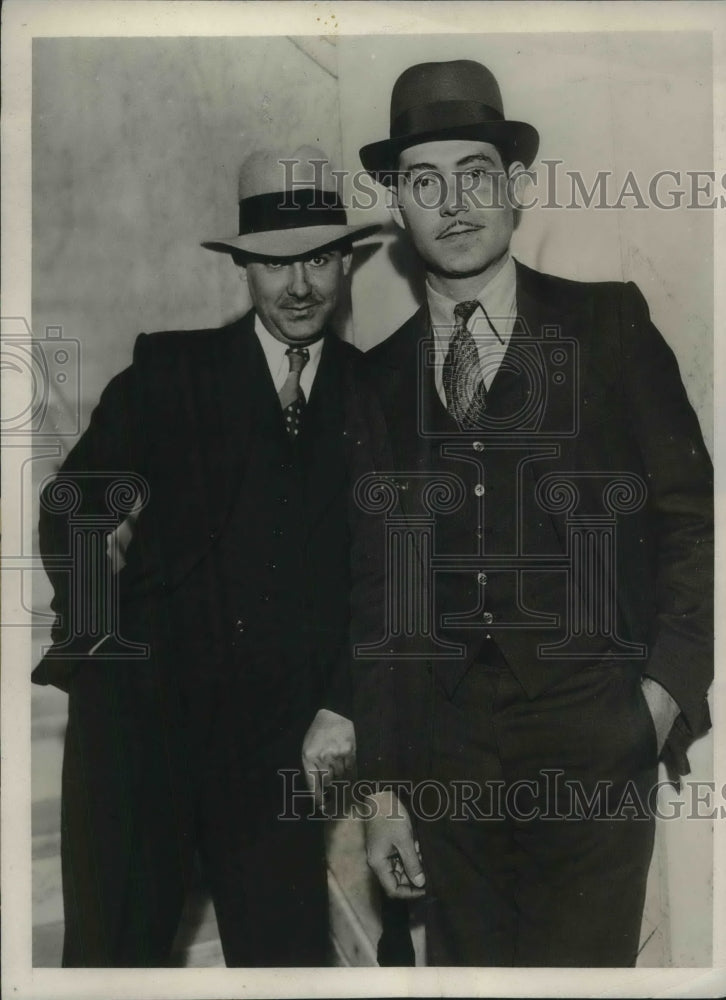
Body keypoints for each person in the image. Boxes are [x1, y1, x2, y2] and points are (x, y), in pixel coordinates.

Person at [348, 60, 714, 966]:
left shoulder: (611, 326)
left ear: (514, 189)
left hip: (597, 732)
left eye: (476, 173)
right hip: (445, 755)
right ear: (399, 206)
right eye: (423, 182)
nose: (454, 202)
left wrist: (658, 702)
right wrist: (387, 792)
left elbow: (692, 522)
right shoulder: (375, 379)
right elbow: (374, 595)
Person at [33, 146, 382, 967]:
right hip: (140, 730)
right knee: (110, 965)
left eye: (321, 259)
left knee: (287, 963)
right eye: (273, 263)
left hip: (276, 751)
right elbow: (76, 500)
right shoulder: (171, 369)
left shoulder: (378, 393)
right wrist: (99, 638)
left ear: (349, 263)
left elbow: (392, 574)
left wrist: (344, 701)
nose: (298, 288)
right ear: (242, 268)